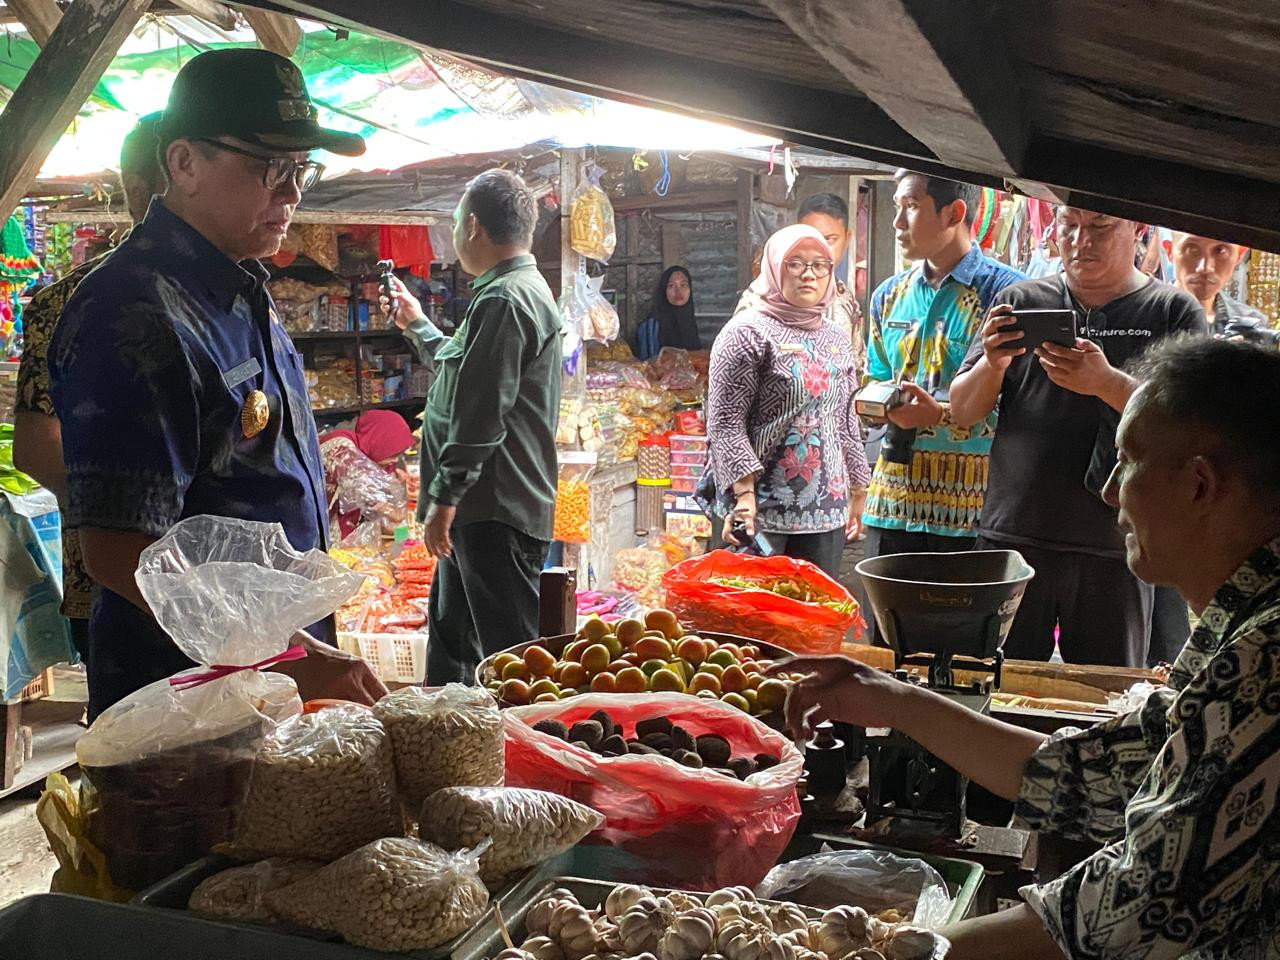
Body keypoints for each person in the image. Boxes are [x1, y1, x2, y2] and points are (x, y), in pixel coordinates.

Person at [774, 337, 1280, 960]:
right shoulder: (1241, 625)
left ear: (1201, 485)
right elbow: (1098, 771)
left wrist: (881, 952)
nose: (1110, 491)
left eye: (1128, 462)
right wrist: (895, 699)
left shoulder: (1265, 660)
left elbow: (1130, 912)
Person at [48, 49, 384, 720]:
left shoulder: (237, 290)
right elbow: (122, 551)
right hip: (187, 707)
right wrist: (290, 654)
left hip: (268, 677)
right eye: (268, 167)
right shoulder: (135, 311)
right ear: (184, 164)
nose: (290, 192)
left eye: (300, 169)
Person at [951, 207, 1207, 666]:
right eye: (1068, 225)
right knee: (997, 687)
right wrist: (993, 363)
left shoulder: (1171, 310)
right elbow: (964, 410)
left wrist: (1107, 383)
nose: (1079, 240)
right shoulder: (1022, 300)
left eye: (1100, 227)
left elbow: (1193, 423)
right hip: (1014, 534)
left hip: (1118, 543)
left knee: (1108, 699)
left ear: (1138, 229)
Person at [381, 169, 561, 685]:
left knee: (512, 661)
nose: (457, 233)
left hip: (493, 508)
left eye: (458, 222)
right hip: (481, 511)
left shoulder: (506, 299)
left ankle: (526, 754)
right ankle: (445, 744)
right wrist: (417, 323)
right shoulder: (502, 293)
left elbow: (481, 415)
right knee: (453, 644)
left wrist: (444, 498)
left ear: (475, 226)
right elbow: (465, 376)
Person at [13, 114, 164, 668]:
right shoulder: (71, 303)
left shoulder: (235, 291)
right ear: (144, 190)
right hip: (120, 585)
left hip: (226, 584)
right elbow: (34, 448)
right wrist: (124, 522)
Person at [859, 171, 1023, 643]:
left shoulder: (1005, 295)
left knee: (959, 657)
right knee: (889, 653)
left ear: (955, 213)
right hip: (893, 500)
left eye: (910, 206)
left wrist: (942, 414)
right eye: (896, 207)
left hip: (970, 508)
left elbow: (1018, 399)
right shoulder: (887, 295)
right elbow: (874, 375)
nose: (896, 222)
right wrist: (875, 403)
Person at [703, 224, 870, 578]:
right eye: (795, 263)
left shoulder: (837, 338)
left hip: (825, 508)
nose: (808, 274)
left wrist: (859, 486)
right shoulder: (745, 333)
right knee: (750, 618)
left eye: (819, 265)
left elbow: (845, 419)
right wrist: (743, 495)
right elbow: (725, 423)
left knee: (811, 615)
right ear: (775, 267)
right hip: (759, 507)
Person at [737, 193, 867, 382]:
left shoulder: (845, 302)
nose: (819, 248)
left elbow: (856, 371)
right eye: (809, 238)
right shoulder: (758, 303)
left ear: (847, 239)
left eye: (829, 239)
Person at [319, 410, 416, 541]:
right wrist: (395, 513)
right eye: (393, 454)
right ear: (380, 442)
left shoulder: (378, 463)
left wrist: (405, 538)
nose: (395, 460)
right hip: (313, 531)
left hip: (343, 538)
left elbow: (386, 522)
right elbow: (360, 485)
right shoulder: (340, 445)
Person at [1171, 231, 1276, 340]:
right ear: (1170, 251)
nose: (1206, 268)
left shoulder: (1253, 325)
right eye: (1192, 250)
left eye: (1220, 251)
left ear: (1239, 255)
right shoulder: (1153, 314)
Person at [633, 265, 700, 360]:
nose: (678, 291)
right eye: (671, 286)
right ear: (664, 290)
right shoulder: (651, 327)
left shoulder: (689, 320)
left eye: (683, 285)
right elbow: (646, 366)